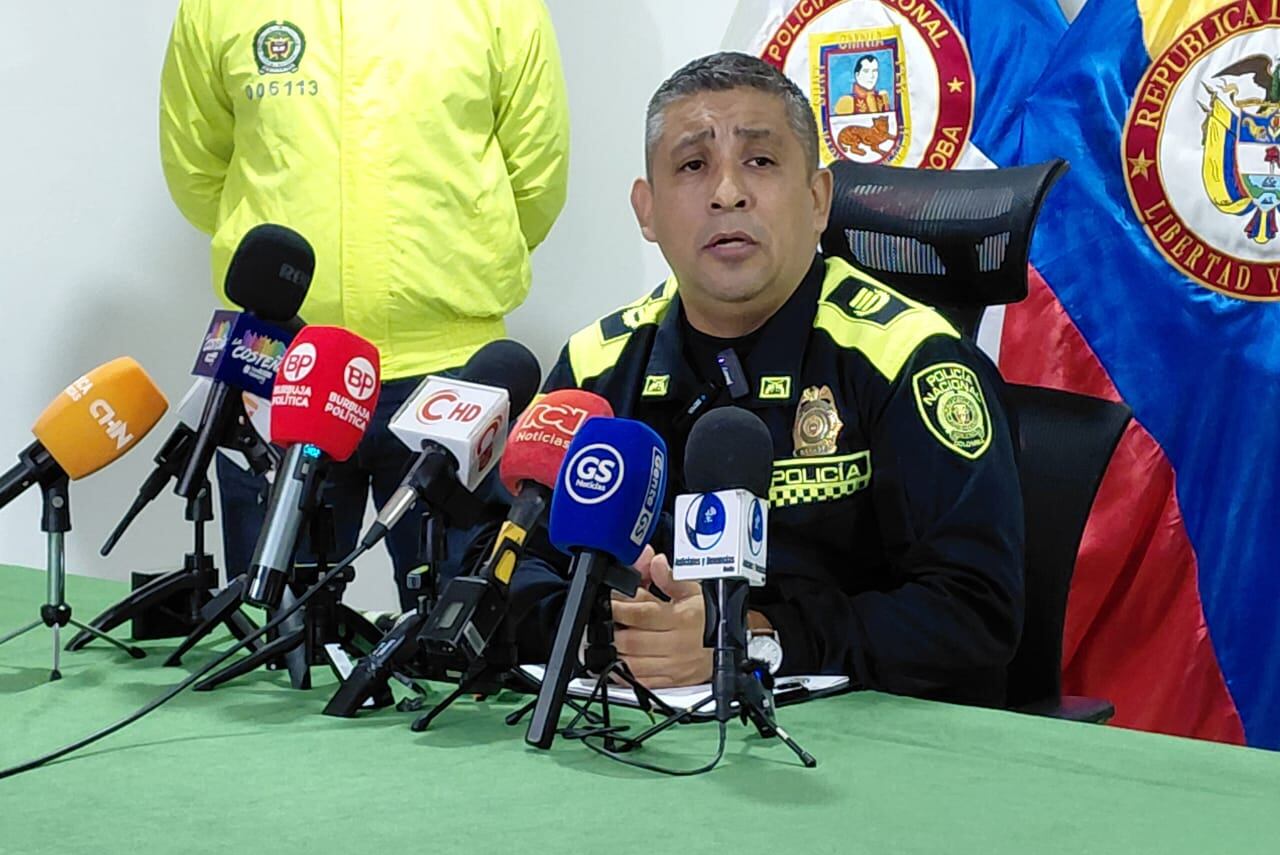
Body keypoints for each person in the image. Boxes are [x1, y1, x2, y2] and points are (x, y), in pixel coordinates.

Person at [510, 52, 1023, 707]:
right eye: (693, 166)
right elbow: (512, 568)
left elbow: (974, 613)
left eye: (760, 161)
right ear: (647, 210)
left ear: (817, 200)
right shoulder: (595, 370)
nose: (728, 192)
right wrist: (617, 635)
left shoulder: (911, 361)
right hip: (639, 737)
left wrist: (746, 639)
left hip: (859, 755)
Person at [159, 0, 570, 609]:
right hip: (282, 362)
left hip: (453, 366)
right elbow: (196, 168)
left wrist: (456, 256)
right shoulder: (220, 7)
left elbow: (537, 175)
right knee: (272, 642)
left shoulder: (501, 8)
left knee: (459, 644)